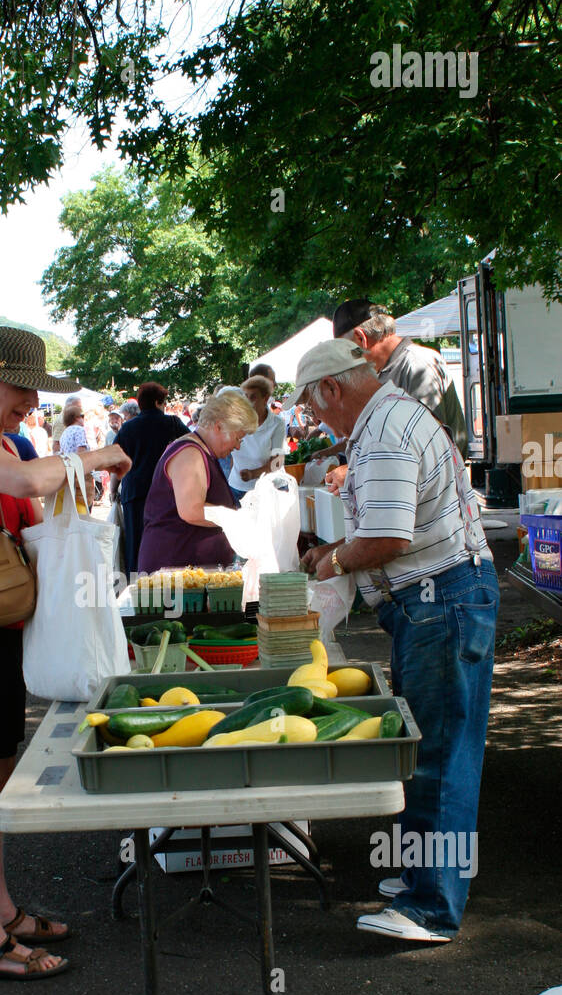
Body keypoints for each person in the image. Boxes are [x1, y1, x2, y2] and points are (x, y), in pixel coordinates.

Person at [0, 328, 130, 980]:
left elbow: (34, 504)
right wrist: (99, 456)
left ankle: (3, 913)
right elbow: (22, 479)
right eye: (20, 389)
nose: (31, 401)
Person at [296, 339, 498, 945]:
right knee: (432, 747)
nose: (315, 419)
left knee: (438, 752)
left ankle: (431, 906)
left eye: (313, 404)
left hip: (441, 601)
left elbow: (387, 537)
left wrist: (330, 562)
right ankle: (422, 876)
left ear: (333, 388)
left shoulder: (382, 428)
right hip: (442, 598)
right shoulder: (394, 414)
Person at [138, 387, 257, 573]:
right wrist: (237, 518)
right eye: (237, 438)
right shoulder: (190, 453)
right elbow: (192, 511)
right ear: (219, 426)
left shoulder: (202, 451)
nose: (238, 446)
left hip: (187, 570)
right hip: (174, 571)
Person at [332, 298, 468, 454]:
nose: (348, 358)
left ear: (361, 338)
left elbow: (425, 442)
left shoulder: (418, 365)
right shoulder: (383, 372)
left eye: (346, 350)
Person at [111, 382, 189, 575]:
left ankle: (136, 587)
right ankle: (167, 585)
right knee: (165, 540)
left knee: (135, 544)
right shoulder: (173, 423)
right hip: (166, 492)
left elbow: (116, 462)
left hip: (134, 492)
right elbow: (192, 448)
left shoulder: (127, 428)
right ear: (157, 402)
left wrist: (113, 490)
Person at [228, 375, 287, 501]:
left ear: (265, 398)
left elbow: (277, 462)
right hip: (237, 488)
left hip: (271, 488)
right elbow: (233, 457)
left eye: (253, 397)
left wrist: (252, 474)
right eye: (245, 397)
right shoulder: (237, 422)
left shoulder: (277, 424)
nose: (248, 402)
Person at [59, 397, 95, 506]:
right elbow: (81, 451)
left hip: (69, 472)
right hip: (81, 473)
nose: (84, 419)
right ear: (76, 418)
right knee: (85, 504)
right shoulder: (79, 430)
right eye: (82, 416)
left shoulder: (65, 432)